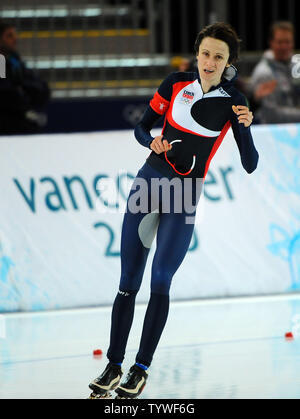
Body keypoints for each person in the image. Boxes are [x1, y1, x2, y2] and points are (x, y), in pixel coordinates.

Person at [88, 22, 259, 399]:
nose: (209, 62)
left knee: (161, 279)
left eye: (218, 56)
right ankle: (113, 365)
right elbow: (141, 129)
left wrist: (247, 127)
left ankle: (140, 369)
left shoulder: (235, 102)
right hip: (148, 183)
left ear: (229, 63)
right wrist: (153, 141)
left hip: (184, 194)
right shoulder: (174, 83)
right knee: (127, 281)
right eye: (205, 53)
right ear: (197, 53)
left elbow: (250, 164)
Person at [0, 21, 50, 135]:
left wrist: (24, 89)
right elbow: (6, 92)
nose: (15, 39)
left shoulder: (14, 60)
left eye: (14, 35)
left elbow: (41, 87)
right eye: (9, 35)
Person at [250, 21, 300, 124]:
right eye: (280, 42)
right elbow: (271, 115)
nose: (284, 47)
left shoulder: (295, 66)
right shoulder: (264, 73)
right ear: (271, 42)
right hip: (271, 134)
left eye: (288, 42)